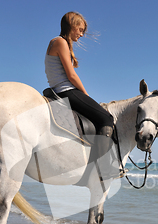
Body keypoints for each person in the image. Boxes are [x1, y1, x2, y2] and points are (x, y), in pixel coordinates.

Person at [45, 12, 122, 181]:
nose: (81, 34)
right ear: (71, 25)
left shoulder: (58, 42)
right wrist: (85, 95)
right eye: (79, 30)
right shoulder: (60, 42)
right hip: (65, 90)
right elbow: (71, 76)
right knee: (107, 118)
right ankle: (100, 168)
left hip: (59, 89)